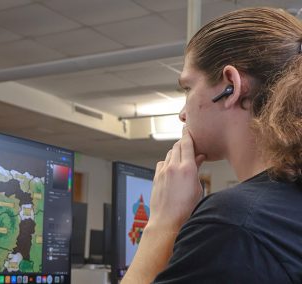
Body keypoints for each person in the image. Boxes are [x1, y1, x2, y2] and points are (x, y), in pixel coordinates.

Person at [122, 7, 302, 284]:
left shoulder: (232, 224)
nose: (183, 114)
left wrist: (163, 224)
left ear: (230, 85)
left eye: (188, 89)